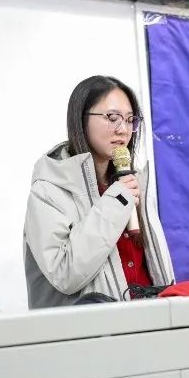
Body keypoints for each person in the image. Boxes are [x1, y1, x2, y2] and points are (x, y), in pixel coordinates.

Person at [24, 75, 175, 309]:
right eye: (112, 118)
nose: (123, 130)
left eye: (130, 120)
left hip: (146, 320)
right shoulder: (48, 190)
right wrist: (115, 203)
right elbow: (64, 273)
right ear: (81, 119)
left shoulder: (133, 183)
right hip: (90, 328)